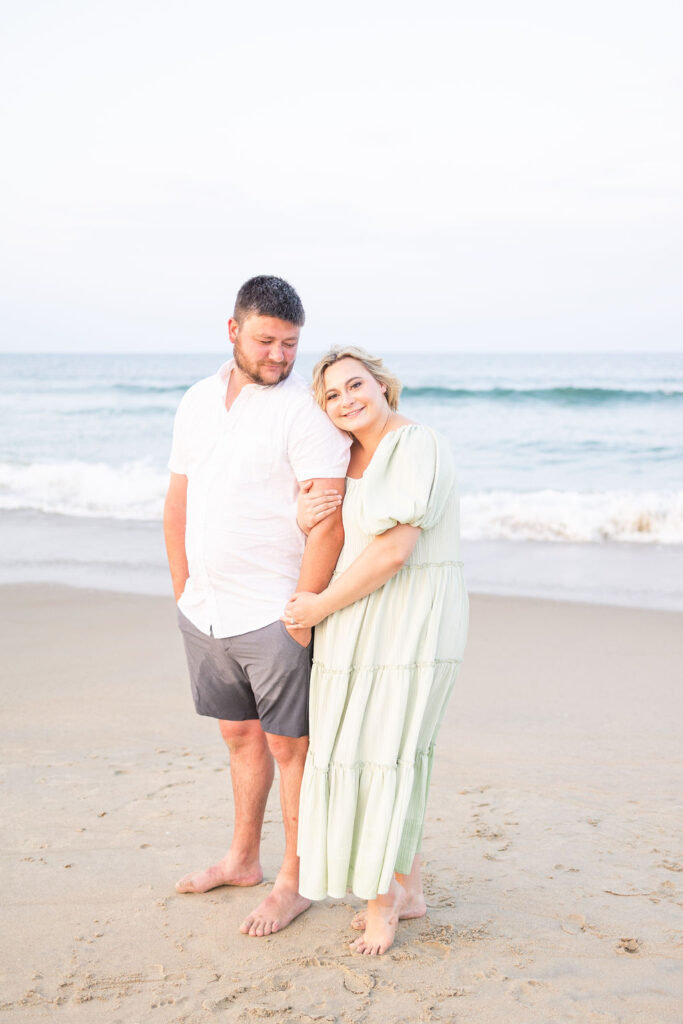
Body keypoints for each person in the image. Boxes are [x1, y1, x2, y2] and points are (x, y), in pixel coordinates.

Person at [163, 276, 350, 937]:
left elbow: (328, 520)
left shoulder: (304, 411)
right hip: (206, 608)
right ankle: (242, 860)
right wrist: (184, 586)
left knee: (288, 746)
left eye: (290, 343)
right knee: (237, 736)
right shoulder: (195, 401)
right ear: (233, 330)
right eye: (266, 340)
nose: (278, 354)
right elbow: (179, 500)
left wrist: (301, 607)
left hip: (273, 611)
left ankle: (292, 882)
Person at [283, 346, 469, 956]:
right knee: (388, 751)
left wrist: (317, 606)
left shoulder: (415, 443)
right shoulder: (350, 454)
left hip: (405, 621)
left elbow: (394, 552)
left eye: (354, 384)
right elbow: (347, 535)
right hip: (358, 620)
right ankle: (408, 890)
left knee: (383, 749)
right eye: (331, 396)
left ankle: (382, 903)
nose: (346, 401)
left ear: (383, 384)